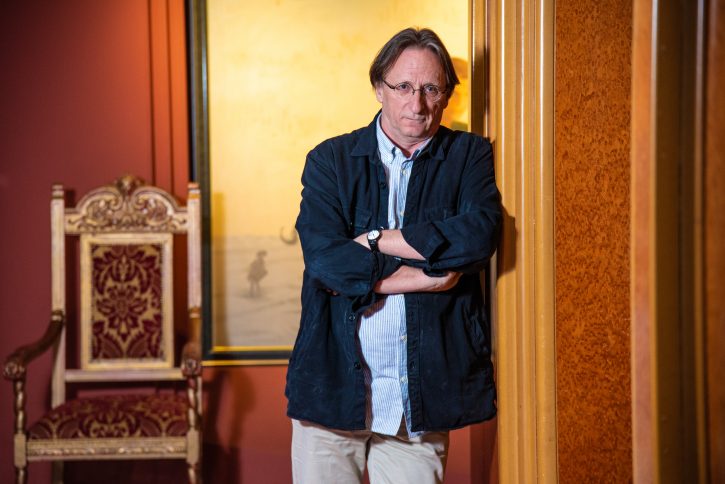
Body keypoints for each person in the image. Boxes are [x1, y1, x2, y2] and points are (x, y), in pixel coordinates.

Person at [286, 27, 501, 484]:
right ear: (378, 88)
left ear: (446, 96)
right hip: (332, 393)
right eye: (403, 86)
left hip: (418, 401)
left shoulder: (469, 156)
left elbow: (478, 236)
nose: (417, 103)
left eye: (431, 89)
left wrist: (375, 239)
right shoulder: (330, 160)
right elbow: (324, 260)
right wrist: (422, 277)